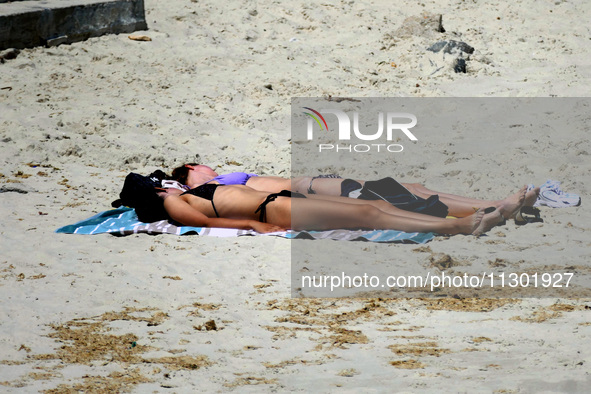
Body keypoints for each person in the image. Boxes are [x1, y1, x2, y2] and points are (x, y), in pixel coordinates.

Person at [170, 163, 539, 220]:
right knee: (392, 195)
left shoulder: (222, 179)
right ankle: (493, 208)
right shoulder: (206, 186)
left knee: (408, 189)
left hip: (308, 187)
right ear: (190, 174)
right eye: (195, 165)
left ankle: (492, 205)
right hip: (306, 189)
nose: (204, 165)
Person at [154, 180, 505, 236]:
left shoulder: (184, 192)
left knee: (374, 206)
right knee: (368, 215)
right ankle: (453, 227)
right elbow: (198, 221)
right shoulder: (172, 201)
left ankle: (455, 219)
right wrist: (252, 225)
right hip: (271, 213)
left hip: (280, 203)